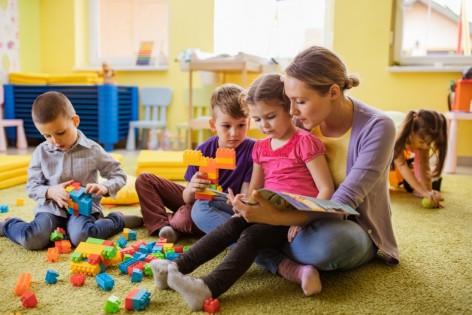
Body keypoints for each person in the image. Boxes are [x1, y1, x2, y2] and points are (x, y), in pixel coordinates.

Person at [150, 73, 335, 311]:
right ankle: (173, 267)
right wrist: (242, 203)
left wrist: (304, 219)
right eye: (257, 119)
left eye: (270, 117)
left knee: (251, 236)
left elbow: (326, 188)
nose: (264, 125)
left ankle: (208, 287)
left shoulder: (305, 142)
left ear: (289, 109)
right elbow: (255, 190)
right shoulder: (260, 147)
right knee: (232, 224)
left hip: (291, 217)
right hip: (267, 211)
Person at [228, 46, 400, 294]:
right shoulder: (299, 121)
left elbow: (343, 203)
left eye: (300, 102)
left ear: (332, 92)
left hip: (346, 224)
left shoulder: (378, 127)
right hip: (289, 219)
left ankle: (257, 245)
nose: (291, 111)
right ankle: (275, 251)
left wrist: (276, 219)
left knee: (327, 246)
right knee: (207, 209)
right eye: (289, 101)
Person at [0, 91, 143, 250]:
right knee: (33, 239)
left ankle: (117, 220)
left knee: (82, 238)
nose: (55, 141)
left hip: (83, 211)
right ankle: (8, 225)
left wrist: (105, 187)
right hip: (51, 209)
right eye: (47, 135)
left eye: (60, 132)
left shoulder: (93, 150)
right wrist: (50, 191)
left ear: (75, 121)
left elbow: (118, 175)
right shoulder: (41, 152)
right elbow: (32, 186)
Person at [135, 84, 255, 243]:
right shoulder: (203, 150)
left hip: (222, 206)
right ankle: (162, 226)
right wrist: (192, 187)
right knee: (144, 179)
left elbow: (246, 196)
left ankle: (170, 223)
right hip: (197, 200)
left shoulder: (252, 150)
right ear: (213, 125)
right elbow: (187, 198)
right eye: (226, 126)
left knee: (185, 219)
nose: (234, 133)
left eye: (241, 125)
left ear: (249, 123)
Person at [391, 110, 447, 208]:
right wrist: (422, 191)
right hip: (376, 143)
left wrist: (428, 193)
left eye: (429, 143)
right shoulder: (397, 134)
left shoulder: (423, 134)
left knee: (420, 180)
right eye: (422, 142)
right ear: (412, 131)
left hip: (401, 146)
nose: (426, 146)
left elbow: (423, 164)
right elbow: (402, 164)